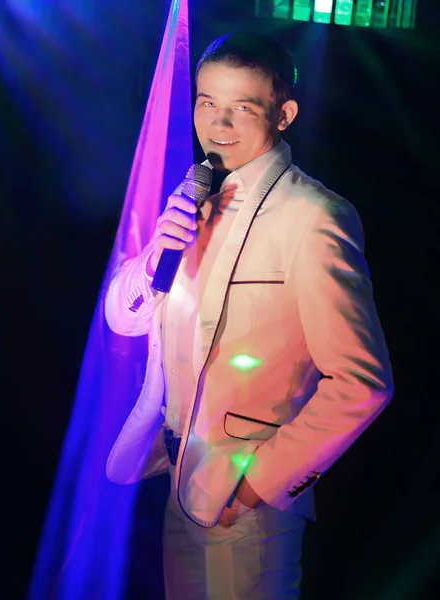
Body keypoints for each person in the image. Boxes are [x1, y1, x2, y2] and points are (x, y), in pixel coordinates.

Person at [104, 32, 394, 600]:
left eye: (242, 107)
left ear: (283, 114)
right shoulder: (193, 195)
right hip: (180, 480)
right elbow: (125, 319)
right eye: (208, 103)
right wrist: (159, 250)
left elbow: (362, 383)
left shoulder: (314, 217)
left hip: (246, 505)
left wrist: (258, 485)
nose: (218, 125)